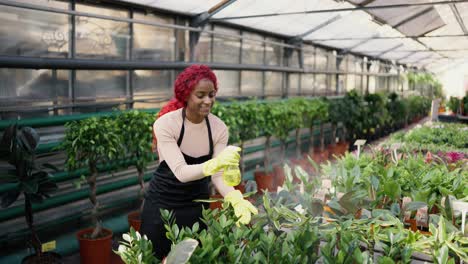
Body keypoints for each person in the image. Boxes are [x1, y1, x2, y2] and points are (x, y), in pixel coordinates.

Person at [140, 65, 258, 260]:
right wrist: (214, 164)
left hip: (196, 205)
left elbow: (218, 176)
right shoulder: (166, 124)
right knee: (155, 257)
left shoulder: (218, 128)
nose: (208, 101)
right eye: (200, 95)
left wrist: (234, 197)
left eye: (211, 95)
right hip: (162, 205)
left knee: (194, 257)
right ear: (186, 95)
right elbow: (180, 171)